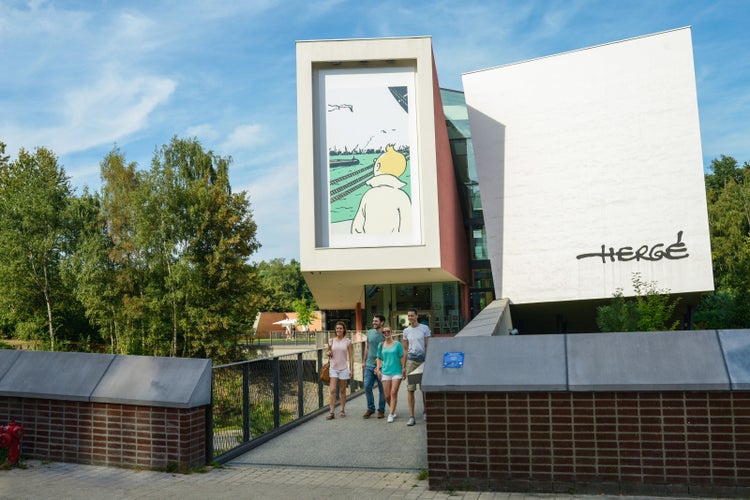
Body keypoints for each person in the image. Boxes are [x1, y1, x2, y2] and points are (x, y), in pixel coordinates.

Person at [402, 308, 430, 426]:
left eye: (412, 316)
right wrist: (403, 366)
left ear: (417, 316)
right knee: (410, 389)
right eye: (408, 316)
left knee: (424, 389)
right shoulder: (406, 331)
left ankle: (425, 411)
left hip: (423, 361)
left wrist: (429, 361)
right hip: (411, 362)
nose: (410, 318)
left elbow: (428, 345)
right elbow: (405, 349)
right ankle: (412, 416)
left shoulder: (424, 328)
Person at [375, 326, 405, 423]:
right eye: (384, 332)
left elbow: (402, 357)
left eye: (388, 331)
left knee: (393, 392)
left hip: (397, 371)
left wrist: (404, 368)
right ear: (382, 334)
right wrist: (378, 369)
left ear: (391, 332)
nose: (386, 333)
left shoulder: (398, 344)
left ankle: (391, 414)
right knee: (387, 395)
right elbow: (379, 358)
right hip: (385, 371)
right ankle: (393, 409)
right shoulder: (381, 345)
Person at [326, 321, 353, 420]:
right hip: (333, 367)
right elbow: (328, 352)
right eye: (337, 328)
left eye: (340, 328)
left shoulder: (348, 342)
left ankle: (342, 410)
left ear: (344, 330)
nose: (339, 330)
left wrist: (351, 369)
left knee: (342, 390)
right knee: (332, 390)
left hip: (344, 368)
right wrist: (328, 353)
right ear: (335, 330)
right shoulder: (331, 341)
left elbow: (351, 356)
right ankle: (331, 412)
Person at [362, 314, 386, 419]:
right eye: (373, 321)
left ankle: (381, 410)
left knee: (382, 389)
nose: (374, 323)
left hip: (382, 366)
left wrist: (381, 360)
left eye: (376, 321)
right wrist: (364, 361)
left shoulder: (385, 334)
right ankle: (370, 408)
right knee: (367, 386)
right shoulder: (370, 332)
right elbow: (367, 347)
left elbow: (388, 348)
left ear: (382, 322)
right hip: (369, 365)